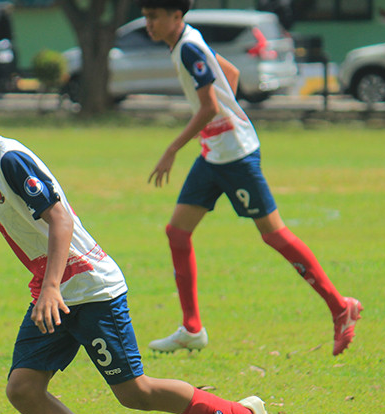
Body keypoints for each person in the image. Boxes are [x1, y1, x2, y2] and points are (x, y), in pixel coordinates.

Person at [0, 58, 277, 414]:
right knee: (24, 389)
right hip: (53, 294)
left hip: (89, 287)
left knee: (135, 393)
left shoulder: (11, 160)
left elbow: (60, 219)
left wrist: (51, 287)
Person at [139, 0, 361, 355]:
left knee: (274, 234)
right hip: (215, 152)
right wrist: (224, 119)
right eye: (146, 16)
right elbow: (230, 74)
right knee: (177, 232)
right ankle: (192, 329)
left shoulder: (189, 48)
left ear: (176, 16)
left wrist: (172, 149)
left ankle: (340, 307)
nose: (148, 23)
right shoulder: (187, 42)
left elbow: (210, 106)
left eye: (154, 17)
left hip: (235, 155)